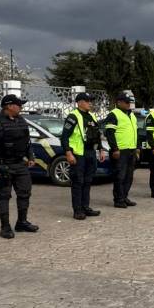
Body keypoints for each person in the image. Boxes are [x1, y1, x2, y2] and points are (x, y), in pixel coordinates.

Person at [0, 94, 39, 239]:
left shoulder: (21, 120)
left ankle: (21, 222)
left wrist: (31, 156)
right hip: (3, 165)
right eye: (19, 105)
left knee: (24, 193)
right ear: (9, 106)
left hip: (20, 163)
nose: (21, 107)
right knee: (4, 195)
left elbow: (27, 141)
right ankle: (5, 227)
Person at [60, 92, 104, 220]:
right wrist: (68, 153)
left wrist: (100, 149)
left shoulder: (91, 116)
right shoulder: (73, 117)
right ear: (79, 102)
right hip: (78, 154)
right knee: (78, 182)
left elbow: (96, 134)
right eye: (87, 101)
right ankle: (77, 210)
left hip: (90, 153)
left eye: (91, 101)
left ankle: (86, 207)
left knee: (88, 181)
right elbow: (64, 137)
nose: (90, 103)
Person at [104, 93, 138, 208]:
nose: (129, 104)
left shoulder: (131, 115)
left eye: (130, 102)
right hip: (120, 151)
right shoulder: (113, 114)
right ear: (119, 102)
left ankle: (124, 197)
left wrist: (136, 147)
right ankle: (118, 200)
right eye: (126, 102)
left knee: (129, 176)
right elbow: (109, 133)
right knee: (120, 176)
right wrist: (115, 149)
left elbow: (134, 133)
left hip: (131, 149)